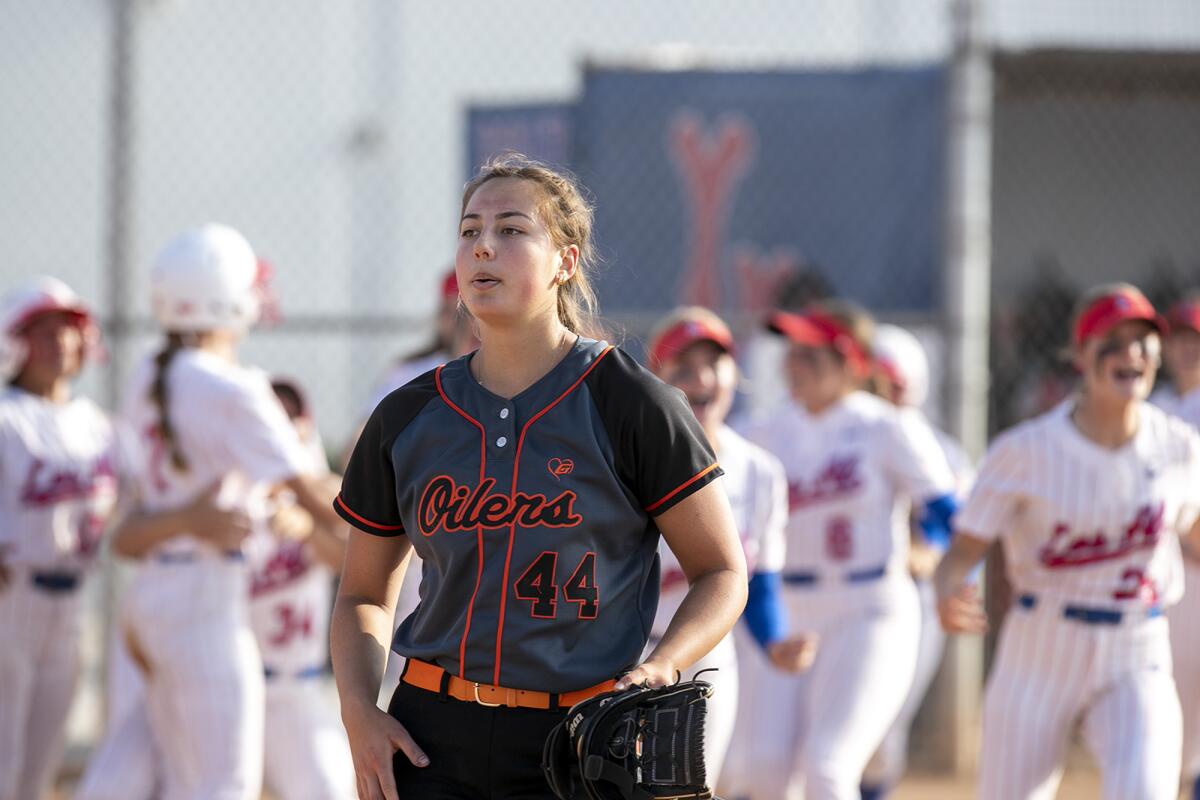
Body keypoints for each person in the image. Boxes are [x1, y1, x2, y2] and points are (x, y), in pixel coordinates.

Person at [331, 155, 748, 800]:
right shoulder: (409, 415)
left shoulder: (631, 403)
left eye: (512, 229)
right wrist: (359, 710)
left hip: (582, 734)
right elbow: (363, 592)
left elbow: (722, 571)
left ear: (566, 261)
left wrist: (664, 666)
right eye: (470, 231)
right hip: (430, 734)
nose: (483, 247)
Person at [103, 223, 340, 800]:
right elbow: (314, 496)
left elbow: (130, 518)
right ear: (227, 296)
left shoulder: (146, 375)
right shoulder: (234, 388)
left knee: (185, 781)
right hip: (203, 602)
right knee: (224, 785)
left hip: (152, 596)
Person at [936, 283, 1197, 800]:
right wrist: (948, 588)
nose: (1131, 354)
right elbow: (964, 550)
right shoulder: (1024, 451)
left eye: (1143, 342)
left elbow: (1192, 531)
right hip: (1040, 647)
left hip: (1137, 646)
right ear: (1080, 354)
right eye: (1113, 341)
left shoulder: (1179, 446)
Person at [75, 375, 354, 800]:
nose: (280, 424)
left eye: (291, 414)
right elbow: (125, 538)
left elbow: (356, 559)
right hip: (214, 682)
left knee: (330, 788)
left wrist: (306, 531)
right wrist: (190, 519)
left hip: (289, 694)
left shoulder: (318, 490)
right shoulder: (225, 484)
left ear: (304, 424)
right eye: (270, 414)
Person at [740, 300, 958, 800]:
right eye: (792, 353)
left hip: (870, 608)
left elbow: (949, 511)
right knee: (766, 773)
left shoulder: (887, 427)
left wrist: (938, 555)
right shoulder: (763, 432)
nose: (793, 365)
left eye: (811, 355)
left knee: (828, 766)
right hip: (790, 608)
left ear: (850, 363)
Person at [642, 307, 810, 794]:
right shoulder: (629, 457)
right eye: (684, 366)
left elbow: (758, 584)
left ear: (735, 374)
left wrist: (776, 640)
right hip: (631, 651)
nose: (701, 379)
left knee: (692, 787)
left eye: (714, 363)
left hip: (709, 657)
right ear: (657, 377)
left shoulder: (759, 470)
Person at [0, 278, 120, 800]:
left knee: (43, 760)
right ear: (14, 342)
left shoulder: (97, 424)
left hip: (72, 600)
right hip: (11, 595)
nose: (61, 344)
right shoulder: (5, 415)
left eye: (70, 331)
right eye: (44, 332)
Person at [860, 323, 974, 799]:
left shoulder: (943, 450)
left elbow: (955, 528)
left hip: (912, 603)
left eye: (897, 383)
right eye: (877, 380)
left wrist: (926, 548)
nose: (887, 393)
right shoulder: (846, 432)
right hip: (841, 595)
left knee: (885, 735)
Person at [1150, 294, 1200, 800]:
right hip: (1170, 575)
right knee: (1176, 727)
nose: (1188, 350)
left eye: (1197, 341)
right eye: (1181, 339)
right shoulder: (1154, 409)